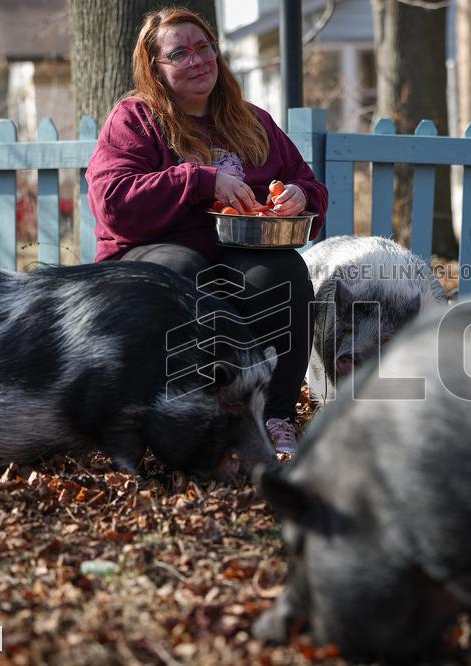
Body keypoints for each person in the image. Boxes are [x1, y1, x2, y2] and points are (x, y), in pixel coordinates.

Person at [85, 6, 328, 455]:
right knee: (181, 270)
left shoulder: (252, 121)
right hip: (150, 250)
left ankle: (273, 416)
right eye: (179, 53)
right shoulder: (135, 120)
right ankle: (179, 419)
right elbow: (114, 202)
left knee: (283, 272)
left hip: (238, 249)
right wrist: (198, 180)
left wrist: (301, 196)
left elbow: (307, 183)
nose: (197, 60)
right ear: (155, 67)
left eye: (204, 47)